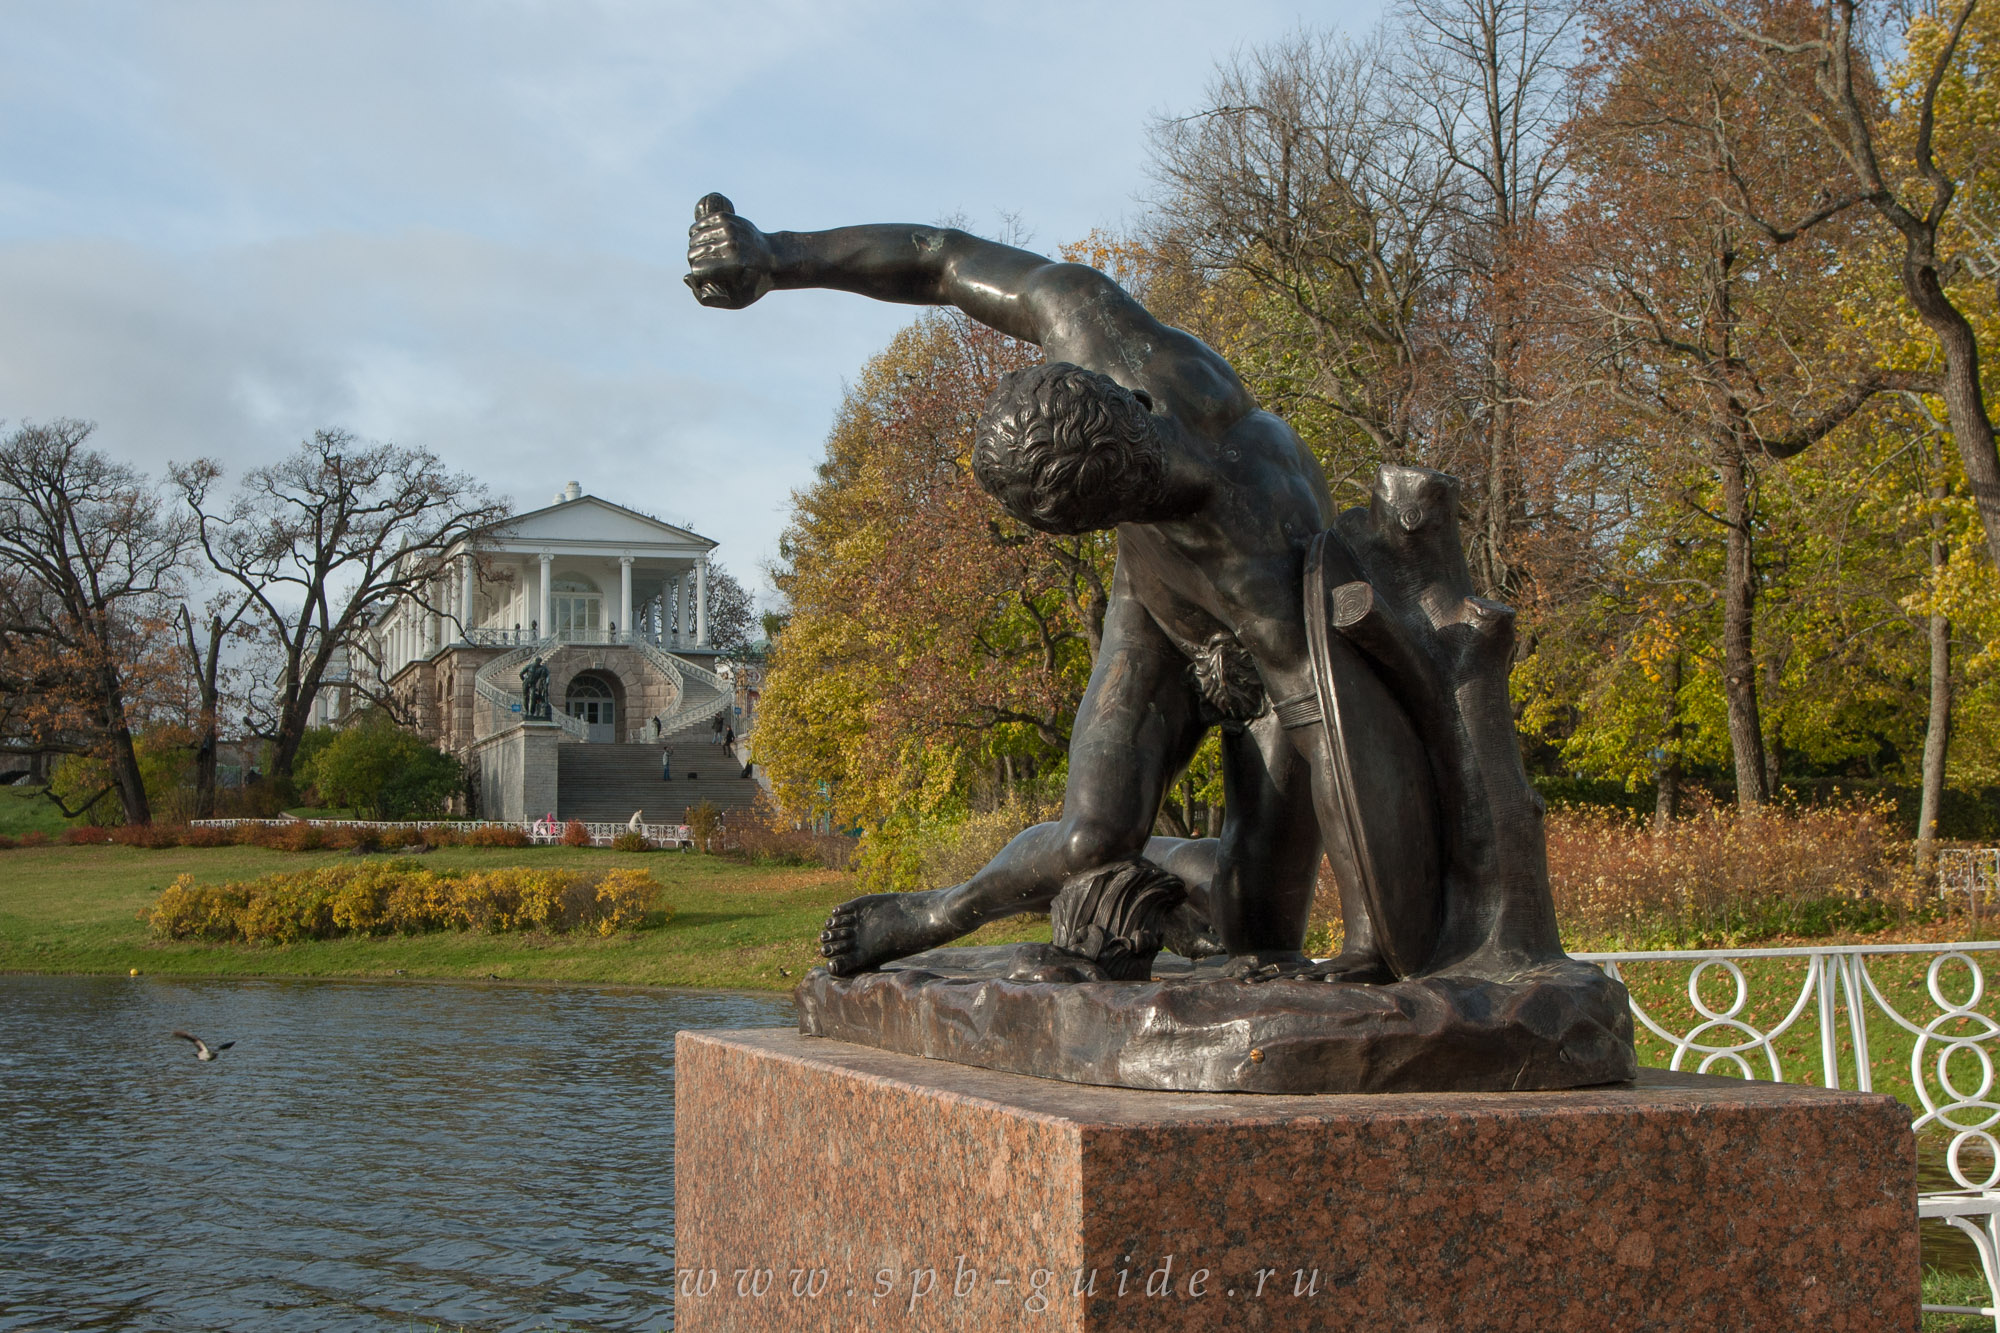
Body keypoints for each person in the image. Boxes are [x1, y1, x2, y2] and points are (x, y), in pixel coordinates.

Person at [687, 195, 1460, 984]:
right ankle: (939, 911)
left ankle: (1167, 889)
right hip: (1156, 599)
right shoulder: (1083, 317)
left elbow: (1342, 737)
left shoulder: (1256, 533)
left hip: (1273, 648)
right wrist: (776, 256)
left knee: (1257, 932)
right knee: (1092, 837)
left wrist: (1375, 946)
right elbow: (938, 256)